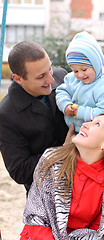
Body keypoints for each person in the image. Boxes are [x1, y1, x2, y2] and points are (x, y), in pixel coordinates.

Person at [20, 114, 104, 240]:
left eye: (97, 124)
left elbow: (99, 232)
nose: (85, 124)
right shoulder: (52, 161)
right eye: (91, 120)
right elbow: (36, 216)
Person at [0, 41, 72, 193]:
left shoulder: (62, 76)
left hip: (83, 182)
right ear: (18, 79)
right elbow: (20, 171)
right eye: (41, 77)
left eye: (50, 69)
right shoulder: (6, 114)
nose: (51, 80)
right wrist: (62, 152)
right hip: (44, 196)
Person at [56, 31, 104, 133]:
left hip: (93, 136)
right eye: (75, 71)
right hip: (70, 130)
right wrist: (65, 105)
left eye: (84, 69)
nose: (80, 75)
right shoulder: (72, 79)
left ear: (96, 65)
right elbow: (62, 91)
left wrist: (81, 112)